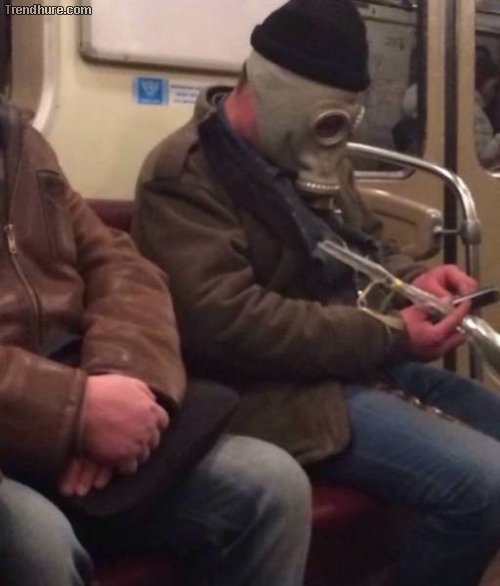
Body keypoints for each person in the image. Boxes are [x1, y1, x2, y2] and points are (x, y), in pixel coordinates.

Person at [132, 1, 500, 585]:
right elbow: (227, 323)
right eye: (327, 122)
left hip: (354, 366)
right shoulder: (185, 174)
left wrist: (415, 281)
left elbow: (366, 247)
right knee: (482, 485)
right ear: (276, 93)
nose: (334, 143)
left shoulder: (308, 151)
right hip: (269, 391)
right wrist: (389, 335)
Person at [0, 97, 311, 586]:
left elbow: (122, 265)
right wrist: (73, 411)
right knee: (38, 542)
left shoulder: (21, 142)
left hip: (77, 379)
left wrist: (121, 377)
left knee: (271, 483)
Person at [474, 51, 500, 168]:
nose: (494, 93)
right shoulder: (475, 113)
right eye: (493, 87)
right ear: (482, 82)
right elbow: (481, 157)